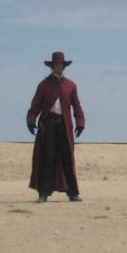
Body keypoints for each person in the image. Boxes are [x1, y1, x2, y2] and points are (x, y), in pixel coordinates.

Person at [26, 51, 85, 203]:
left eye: (60, 64)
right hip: (49, 125)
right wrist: (31, 121)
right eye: (56, 64)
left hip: (65, 126)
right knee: (48, 159)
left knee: (67, 159)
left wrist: (80, 123)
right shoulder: (44, 85)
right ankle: (43, 193)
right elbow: (36, 105)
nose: (58, 67)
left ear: (63, 66)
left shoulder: (70, 85)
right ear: (52, 66)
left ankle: (72, 193)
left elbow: (77, 106)